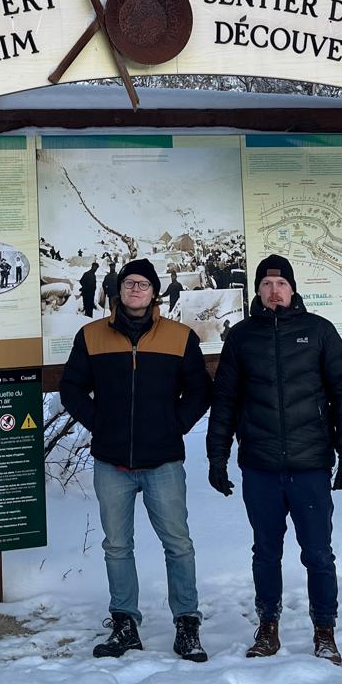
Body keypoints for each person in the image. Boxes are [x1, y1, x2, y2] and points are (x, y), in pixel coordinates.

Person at [207, 255, 342, 665]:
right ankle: (268, 627)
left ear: (292, 289)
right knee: (265, 552)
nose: (274, 290)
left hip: (310, 464)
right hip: (260, 465)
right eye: (266, 284)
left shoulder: (318, 332)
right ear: (257, 291)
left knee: (317, 553)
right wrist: (217, 457)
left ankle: (324, 630)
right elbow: (225, 400)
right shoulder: (241, 337)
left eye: (280, 283)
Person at [60, 258, 211, 662]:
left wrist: (172, 425)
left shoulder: (179, 337)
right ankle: (125, 623)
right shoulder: (91, 336)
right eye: (129, 283)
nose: (136, 289)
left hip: (163, 462)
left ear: (154, 291)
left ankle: (187, 624)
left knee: (178, 544)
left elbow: (200, 390)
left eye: (144, 283)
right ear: (118, 289)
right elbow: (71, 388)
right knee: (116, 546)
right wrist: (101, 424)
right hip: (112, 463)